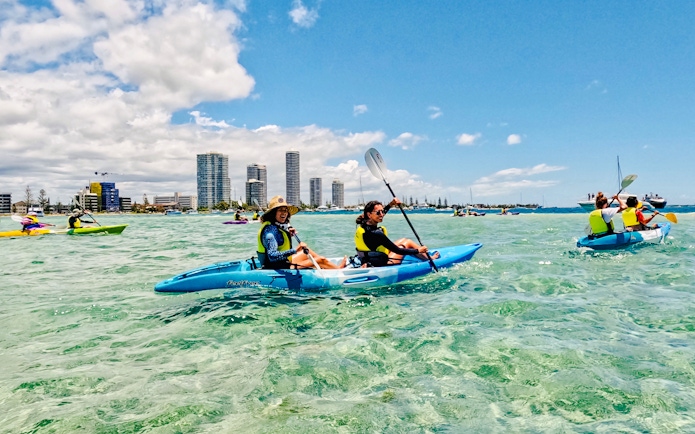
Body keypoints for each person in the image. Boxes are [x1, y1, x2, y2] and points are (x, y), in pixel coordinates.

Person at [257, 195, 346, 270]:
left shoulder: (275, 226)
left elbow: (281, 234)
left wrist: (288, 231)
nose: (284, 213)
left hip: (283, 263)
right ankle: (338, 270)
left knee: (307, 251)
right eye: (280, 210)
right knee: (321, 260)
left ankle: (331, 268)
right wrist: (295, 250)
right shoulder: (269, 233)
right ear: (273, 213)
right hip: (276, 268)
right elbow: (272, 256)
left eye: (285, 210)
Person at [354, 199, 439, 267]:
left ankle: (425, 256)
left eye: (382, 211)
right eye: (378, 212)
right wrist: (418, 250)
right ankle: (430, 259)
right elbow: (398, 250)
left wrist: (391, 204)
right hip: (381, 263)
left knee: (404, 240)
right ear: (369, 215)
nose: (382, 214)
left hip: (367, 258)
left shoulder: (364, 224)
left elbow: (379, 214)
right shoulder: (376, 233)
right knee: (407, 243)